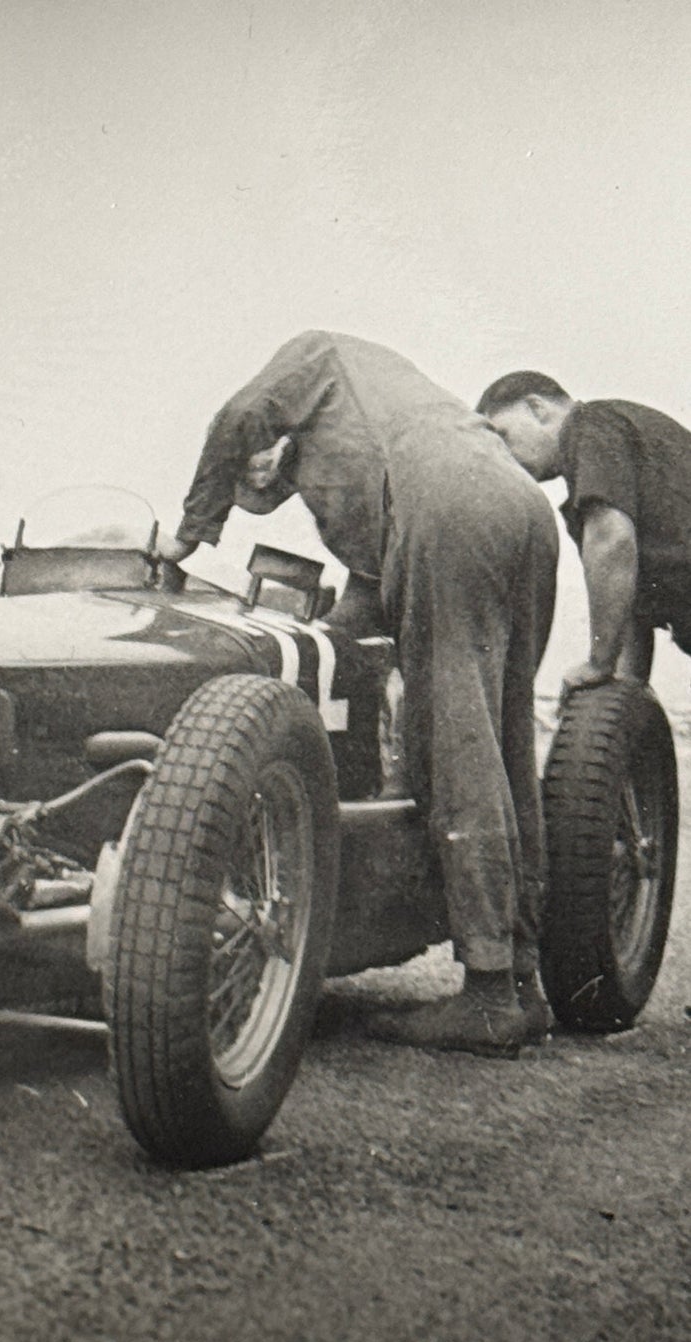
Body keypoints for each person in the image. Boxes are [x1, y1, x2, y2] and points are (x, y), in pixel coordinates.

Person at [159, 332, 559, 1056]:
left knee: (454, 743)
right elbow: (373, 593)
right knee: (501, 740)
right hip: (518, 506)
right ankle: (524, 981)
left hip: (455, 506)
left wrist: (187, 537)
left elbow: (235, 418)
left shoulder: (312, 355)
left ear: (272, 445)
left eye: (257, 478)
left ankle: (489, 992)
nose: (264, 487)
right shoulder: (370, 422)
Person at [476, 372, 691, 694]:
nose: (507, 459)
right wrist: (610, 695)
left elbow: (612, 540)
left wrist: (598, 664)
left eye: (503, 437)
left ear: (536, 408)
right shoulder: (613, 445)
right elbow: (627, 601)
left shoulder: (590, 425)